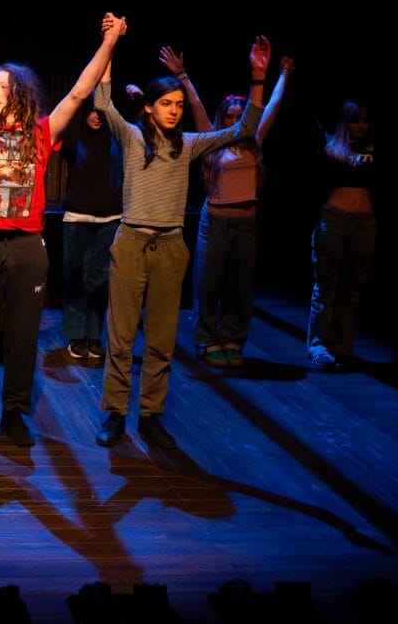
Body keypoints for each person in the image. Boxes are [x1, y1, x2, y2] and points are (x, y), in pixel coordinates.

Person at [0, 0, 127, 447]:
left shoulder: (42, 133)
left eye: (2, 85)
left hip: (26, 246)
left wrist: (109, 43)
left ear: (20, 91)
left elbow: (78, 91)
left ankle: (14, 411)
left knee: (21, 333)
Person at [93, 35, 270, 451]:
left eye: (178, 105)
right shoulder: (133, 139)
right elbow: (103, 102)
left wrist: (258, 77)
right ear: (150, 107)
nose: (174, 111)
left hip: (170, 247)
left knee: (160, 338)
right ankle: (115, 413)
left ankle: (151, 415)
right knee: (120, 337)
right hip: (132, 242)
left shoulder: (190, 144)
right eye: (166, 104)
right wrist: (109, 45)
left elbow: (245, 128)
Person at [157, 44, 294, 366]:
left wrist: (282, 74)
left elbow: (271, 105)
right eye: (229, 116)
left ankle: (232, 338)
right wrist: (181, 75)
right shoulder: (212, 141)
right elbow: (196, 104)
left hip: (247, 221)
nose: (234, 120)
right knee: (208, 284)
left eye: (239, 116)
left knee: (240, 286)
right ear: (223, 119)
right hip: (215, 221)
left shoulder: (254, 140)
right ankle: (207, 339)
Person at [306, 99, 376, 371]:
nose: (361, 126)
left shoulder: (372, 147)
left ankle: (344, 345)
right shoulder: (331, 146)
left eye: (365, 121)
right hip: (334, 219)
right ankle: (319, 345)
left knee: (352, 289)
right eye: (356, 120)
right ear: (345, 121)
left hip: (365, 221)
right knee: (325, 287)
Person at [59, 93, 123, 363]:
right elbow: (68, 121)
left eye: (101, 111)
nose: (96, 115)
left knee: (99, 279)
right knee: (77, 278)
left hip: (109, 218)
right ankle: (76, 336)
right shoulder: (74, 137)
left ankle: (94, 335)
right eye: (91, 110)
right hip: (78, 217)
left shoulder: (115, 138)